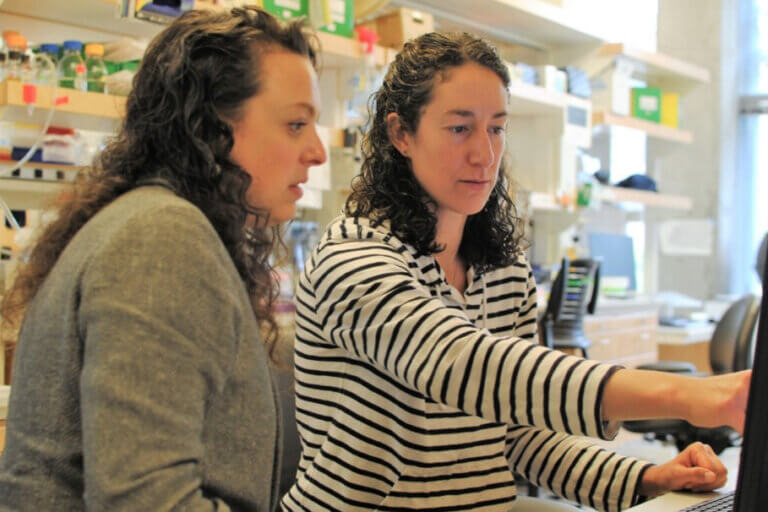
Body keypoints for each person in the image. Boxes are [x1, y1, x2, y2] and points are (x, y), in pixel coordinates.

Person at [281, 32, 750, 512]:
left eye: (497, 129)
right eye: (460, 128)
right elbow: (466, 364)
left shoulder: (502, 270)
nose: (484, 155)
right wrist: (693, 396)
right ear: (401, 134)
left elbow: (522, 434)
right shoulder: (351, 257)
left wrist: (648, 477)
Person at [0, 7, 325, 511]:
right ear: (212, 125)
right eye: (295, 123)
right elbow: (148, 502)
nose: (318, 151)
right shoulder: (161, 237)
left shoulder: (156, 223)